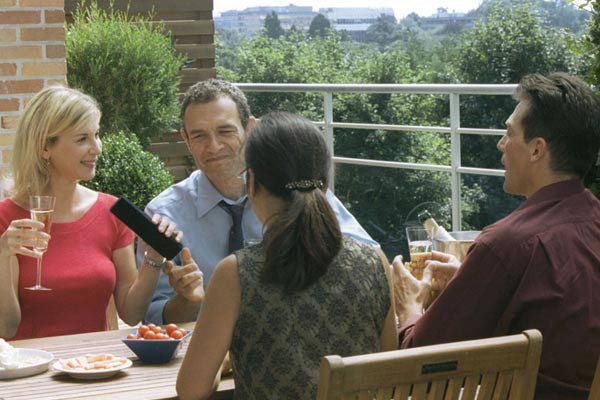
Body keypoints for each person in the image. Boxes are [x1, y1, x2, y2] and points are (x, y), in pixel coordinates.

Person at [393, 72, 600, 399]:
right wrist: (469, 278)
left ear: (536, 150)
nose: (500, 144)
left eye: (508, 133)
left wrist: (409, 308)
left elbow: (421, 363)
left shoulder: (508, 245)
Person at [176, 112, 397, 400]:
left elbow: (192, 391)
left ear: (252, 184)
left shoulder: (235, 273)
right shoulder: (375, 261)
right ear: (325, 186)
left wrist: (221, 359)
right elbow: (388, 371)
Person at [138, 79, 378, 325]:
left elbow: (368, 260)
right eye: (199, 136)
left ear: (250, 129)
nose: (214, 146)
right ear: (186, 139)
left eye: (225, 131)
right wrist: (186, 300)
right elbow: (151, 317)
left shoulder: (296, 191)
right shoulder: (165, 213)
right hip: (206, 352)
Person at [0, 86, 180, 340]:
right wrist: (2, 254)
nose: (97, 148)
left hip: (96, 367)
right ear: (44, 148)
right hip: (32, 371)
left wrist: (154, 256)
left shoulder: (110, 212)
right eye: (82, 139)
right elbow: (5, 329)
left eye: (96, 134)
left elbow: (130, 313)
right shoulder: (7, 219)